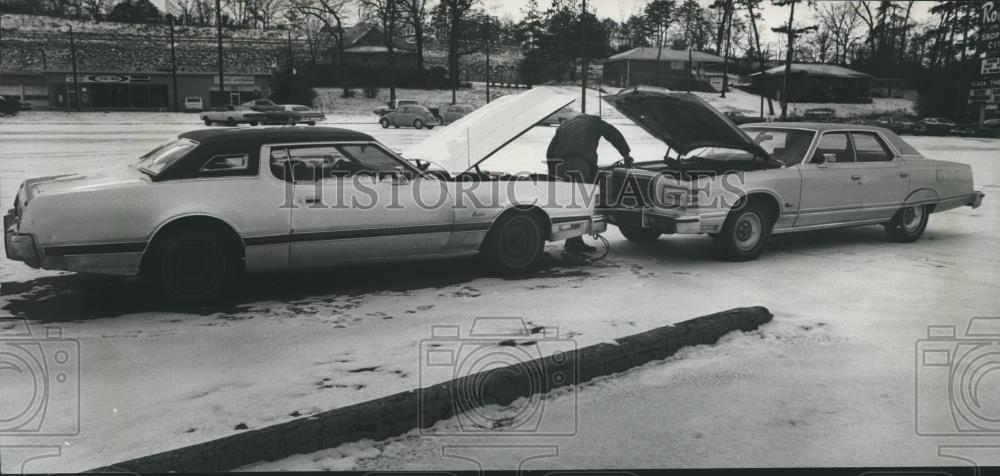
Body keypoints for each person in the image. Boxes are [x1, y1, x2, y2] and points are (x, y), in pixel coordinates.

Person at [546, 114, 633, 253]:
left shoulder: (566, 126)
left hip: (560, 164)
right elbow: (613, 134)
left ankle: (573, 240)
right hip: (578, 162)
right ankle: (574, 242)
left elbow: (550, 151)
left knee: (569, 202)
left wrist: (553, 171)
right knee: (579, 202)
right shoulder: (595, 122)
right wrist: (626, 154)